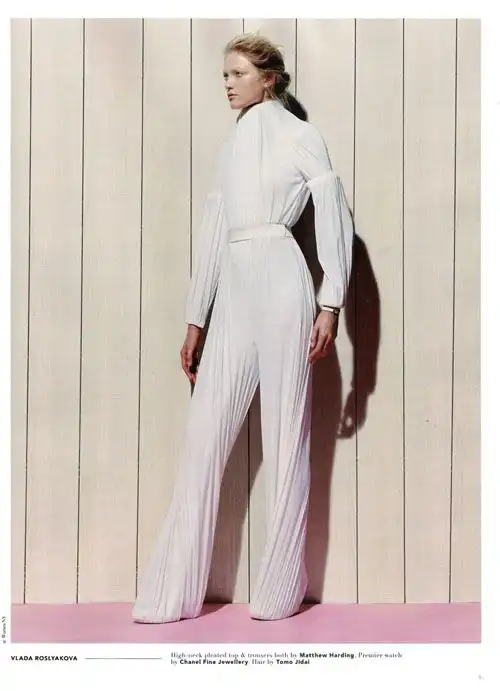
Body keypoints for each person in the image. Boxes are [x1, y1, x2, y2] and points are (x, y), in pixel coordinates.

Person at [132, 33, 353, 623]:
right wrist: (195, 316)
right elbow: (215, 229)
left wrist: (331, 303)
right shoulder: (231, 144)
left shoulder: (301, 135)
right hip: (233, 287)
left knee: (286, 431)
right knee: (204, 435)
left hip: (283, 280)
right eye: (225, 75)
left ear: (268, 78)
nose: (228, 84)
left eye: (237, 74)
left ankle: (279, 590)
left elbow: (333, 214)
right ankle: (172, 591)